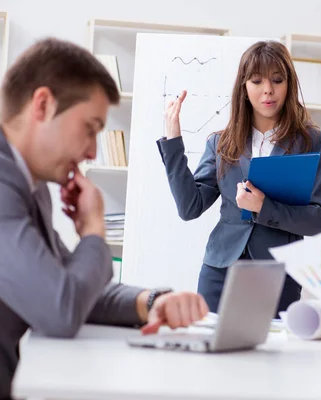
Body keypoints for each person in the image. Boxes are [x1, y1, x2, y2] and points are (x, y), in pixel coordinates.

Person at [0, 38, 210, 398]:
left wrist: (150, 301)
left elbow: (65, 284)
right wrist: (94, 231)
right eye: (90, 127)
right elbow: (61, 308)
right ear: (43, 105)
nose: (93, 151)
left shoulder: (25, 183)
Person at [157, 41, 321, 314]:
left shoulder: (311, 141)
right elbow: (189, 207)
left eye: (277, 80)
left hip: (278, 274)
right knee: (213, 352)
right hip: (219, 271)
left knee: (269, 353)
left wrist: (265, 208)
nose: (268, 90)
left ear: (289, 84)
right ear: (244, 86)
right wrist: (173, 140)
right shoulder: (220, 143)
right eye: (256, 81)